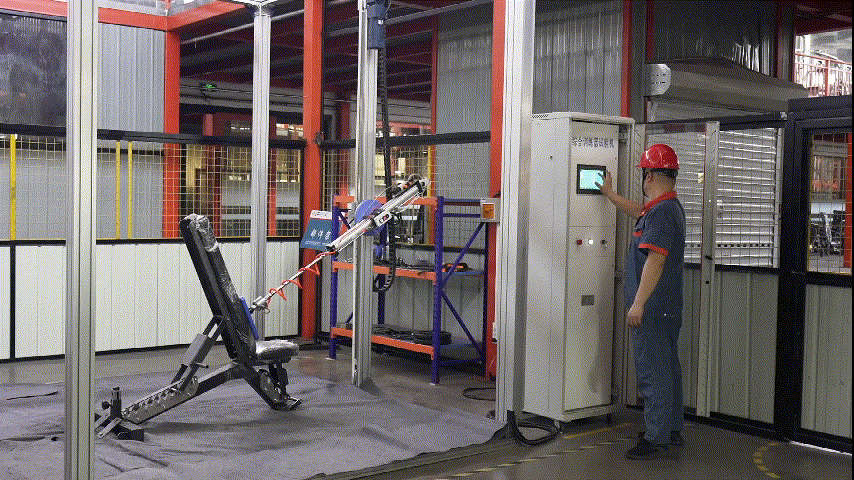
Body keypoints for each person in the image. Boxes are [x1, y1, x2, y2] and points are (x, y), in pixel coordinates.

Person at [597, 143, 686, 460]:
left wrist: (638, 304)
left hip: (651, 307)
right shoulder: (669, 207)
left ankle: (656, 437)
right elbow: (639, 211)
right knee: (668, 368)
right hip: (667, 307)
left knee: (653, 372)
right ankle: (670, 429)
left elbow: (655, 261)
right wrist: (611, 195)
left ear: (649, 176)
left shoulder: (661, 214)